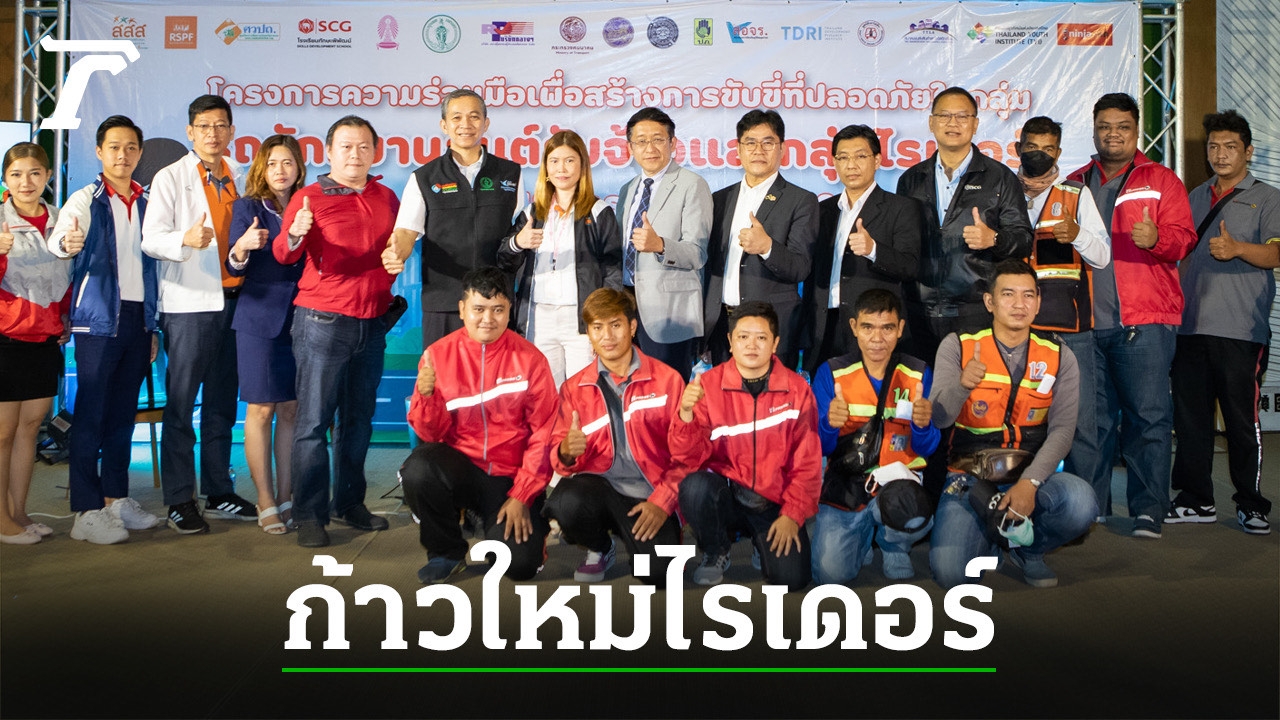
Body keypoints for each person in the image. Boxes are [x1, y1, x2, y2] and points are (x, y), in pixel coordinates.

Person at [1066, 92, 1197, 536]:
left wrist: (1157, 238)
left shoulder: (1161, 179)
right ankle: (1091, 506)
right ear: (1094, 130)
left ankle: (1148, 509)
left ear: (1136, 131)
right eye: (1104, 126)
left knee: (1148, 417)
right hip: (1086, 324)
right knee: (1091, 424)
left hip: (1145, 321)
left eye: (1122, 126)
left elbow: (1185, 239)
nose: (1113, 134)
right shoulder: (1074, 182)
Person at [928, 260, 1097, 589]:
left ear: (1038, 302)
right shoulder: (957, 345)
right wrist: (962, 385)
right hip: (969, 480)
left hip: (1030, 476)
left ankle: (1028, 550)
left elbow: (1063, 431)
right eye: (1008, 294)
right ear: (989, 301)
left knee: (1081, 502)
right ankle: (997, 534)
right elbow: (939, 418)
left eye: (1028, 295)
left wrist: (1030, 483)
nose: (1019, 304)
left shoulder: (1060, 355)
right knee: (951, 574)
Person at [274, 115, 399, 548]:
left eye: (364, 146)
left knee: (358, 421)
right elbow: (284, 254)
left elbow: (395, 247)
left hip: (373, 323)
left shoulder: (386, 196)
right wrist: (294, 233)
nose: (355, 154)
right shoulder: (308, 197)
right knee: (313, 422)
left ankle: (349, 503)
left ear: (375, 152)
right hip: (322, 323)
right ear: (328, 152)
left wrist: (397, 258)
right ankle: (309, 514)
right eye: (346, 146)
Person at [399, 267, 557, 584]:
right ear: (462, 309)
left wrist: (522, 495)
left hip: (509, 479)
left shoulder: (531, 359)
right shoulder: (437, 355)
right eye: (479, 309)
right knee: (418, 468)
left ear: (509, 310)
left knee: (521, 567)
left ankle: (496, 520)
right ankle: (446, 552)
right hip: (462, 469)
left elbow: (545, 434)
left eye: (498, 310)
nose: (488, 319)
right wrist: (427, 398)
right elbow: (430, 435)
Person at [142, 94, 254, 534]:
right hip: (189, 306)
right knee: (182, 404)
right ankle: (178, 499)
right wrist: (183, 240)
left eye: (221, 125)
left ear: (231, 131)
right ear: (190, 132)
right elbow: (151, 239)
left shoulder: (242, 175)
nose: (213, 133)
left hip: (236, 301)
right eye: (204, 126)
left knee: (223, 403)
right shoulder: (170, 177)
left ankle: (219, 490)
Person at [47, 116, 163, 544]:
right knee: (92, 414)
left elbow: (155, 267)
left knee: (122, 415)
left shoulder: (148, 201)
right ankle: (85, 509)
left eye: (131, 147)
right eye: (114, 147)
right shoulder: (85, 199)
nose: (123, 155)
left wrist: (152, 326)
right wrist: (67, 244)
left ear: (140, 153)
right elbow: (61, 238)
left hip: (138, 319)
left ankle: (116, 499)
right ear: (99, 152)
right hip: (97, 321)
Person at [1168, 110, 1279, 535]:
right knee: (1191, 421)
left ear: (1247, 151)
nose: (1220, 154)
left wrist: (1238, 249)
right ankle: (1196, 500)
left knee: (1241, 423)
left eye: (1230, 147)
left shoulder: (1267, 197)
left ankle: (1252, 505)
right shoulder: (1194, 196)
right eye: (1214, 147)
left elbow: (1277, 253)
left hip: (1240, 330)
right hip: (1189, 327)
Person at [670, 301, 821, 592]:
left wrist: (792, 514)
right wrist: (686, 414)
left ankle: (760, 542)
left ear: (775, 343)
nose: (751, 345)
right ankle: (716, 548)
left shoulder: (797, 389)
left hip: (772, 500)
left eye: (761, 337)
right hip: (725, 496)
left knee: (791, 580)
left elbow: (808, 463)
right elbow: (686, 457)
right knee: (694, 488)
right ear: (730, 341)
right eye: (743, 336)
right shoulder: (706, 385)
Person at [544, 288, 687, 585]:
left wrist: (663, 500)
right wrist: (565, 452)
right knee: (565, 502)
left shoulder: (668, 379)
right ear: (589, 333)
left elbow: (687, 455)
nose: (607, 336)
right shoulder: (574, 388)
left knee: (659, 575)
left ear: (632, 327)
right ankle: (600, 546)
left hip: (650, 493)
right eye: (597, 327)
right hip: (601, 489)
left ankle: (645, 539)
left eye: (615, 325)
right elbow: (559, 459)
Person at [810, 289, 940, 583]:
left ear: (901, 329)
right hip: (847, 484)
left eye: (887, 328)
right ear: (854, 327)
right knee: (830, 575)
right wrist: (829, 424)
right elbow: (820, 447)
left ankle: (894, 545)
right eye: (868, 327)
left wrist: (922, 426)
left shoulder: (918, 373)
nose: (877, 338)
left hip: (900, 484)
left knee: (914, 509)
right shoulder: (832, 372)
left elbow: (928, 448)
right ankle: (862, 536)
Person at [896, 86, 1033, 361]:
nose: (953, 123)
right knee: (921, 386)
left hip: (975, 311)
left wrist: (994, 239)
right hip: (917, 310)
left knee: (974, 387)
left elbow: (1024, 240)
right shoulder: (910, 179)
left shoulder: (1000, 178)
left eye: (962, 116)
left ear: (975, 124)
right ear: (931, 123)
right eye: (945, 116)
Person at [384, 89, 524, 348]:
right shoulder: (424, 177)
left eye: (474, 117)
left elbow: (519, 235)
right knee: (441, 372)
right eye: (456, 118)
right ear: (444, 125)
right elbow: (405, 232)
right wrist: (396, 253)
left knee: (496, 372)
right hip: (444, 301)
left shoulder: (510, 173)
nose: (465, 125)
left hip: (496, 302)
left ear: (486, 123)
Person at [1015, 116, 1111, 485]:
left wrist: (1078, 234)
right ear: (1018, 148)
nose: (1039, 154)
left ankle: (1088, 504)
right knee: (1021, 420)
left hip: (1070, 331)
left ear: (1058, 152)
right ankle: (1023, 497)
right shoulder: (1004, 191)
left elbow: (1102, 257)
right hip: (1018, 331)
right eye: (1032, 147)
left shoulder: (1075, 194)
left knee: (1081, 423)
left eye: (1048, 148)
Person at [226, 135, 307, 535]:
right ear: (262, 168)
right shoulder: (248, 207)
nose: (280, 170)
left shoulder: (309, 205)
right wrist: (242, 246)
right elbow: (234, 263)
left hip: (303, 319)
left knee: (291, 410)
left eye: (288, 162)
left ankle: (288, 496)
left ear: (299, 168)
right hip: (258, 319)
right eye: (272, 163)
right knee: (260, 411)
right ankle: (265, 499)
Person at [496, 130, 622, 387]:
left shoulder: (598, 212)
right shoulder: (532, 213)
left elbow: (612, 272)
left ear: (582, 166)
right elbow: (504, 261)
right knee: (544, 392)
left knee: (584, 391)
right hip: (538, 318)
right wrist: (518, 242)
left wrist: (603, 321)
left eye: (569, 160)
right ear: (545, 168)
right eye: (554, 161)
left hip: (581, 320)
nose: (561, 168)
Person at [704, 110, 819, 369]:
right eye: (750, 142)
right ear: (738, 149)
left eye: (768, 142)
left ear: (782, 149)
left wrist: (767, 247)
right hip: (722, 324)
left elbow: (800, 267)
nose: (758, 150)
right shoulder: (719, 199)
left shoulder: (801, 200)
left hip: (772, 326)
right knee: (724, 394)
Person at [806, 124, 924, 374]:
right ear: (834, 163)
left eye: (860, 156)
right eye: (843, 158)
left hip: (872, 326)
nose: (851, 165)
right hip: (824, 327)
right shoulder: (822, 210)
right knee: (826, 394)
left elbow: (910, 266)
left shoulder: (901, 207)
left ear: (877, 160)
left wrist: (873, 250)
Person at [1, 142, 70, 544]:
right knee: (3, 433)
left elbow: (71, 276)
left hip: (45, 338)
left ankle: (19, 512)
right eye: (15, 174)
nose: (25, 182)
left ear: (47, 176)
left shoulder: (62, 220)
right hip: (5, 338)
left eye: (33, 173)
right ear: (4, 180)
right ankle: (1, 519)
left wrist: (66, 316)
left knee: (30, 428)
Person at [616, 107, 713, 377]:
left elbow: (697, 253)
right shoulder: (627, 189)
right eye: (641, 141)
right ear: (630, 148)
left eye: (658, 139)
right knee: (632, 386)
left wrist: (660, 245)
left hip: (670, 312)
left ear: (673, 144)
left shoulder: (692, 184)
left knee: (668, 390)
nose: (650, 148)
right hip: (626, 306)